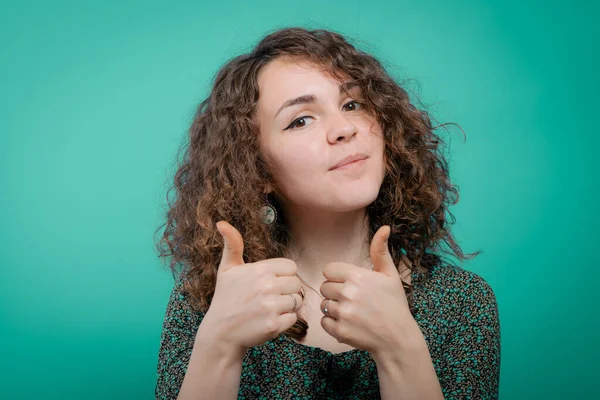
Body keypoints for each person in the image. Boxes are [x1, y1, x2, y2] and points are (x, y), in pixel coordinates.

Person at [154, 27, 501, 400]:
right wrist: (218, 347)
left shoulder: (462, 302)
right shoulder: (206, 302)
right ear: (257, 170)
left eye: (352, 104)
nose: (344, 129)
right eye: (300, 120)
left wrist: (401, 348)